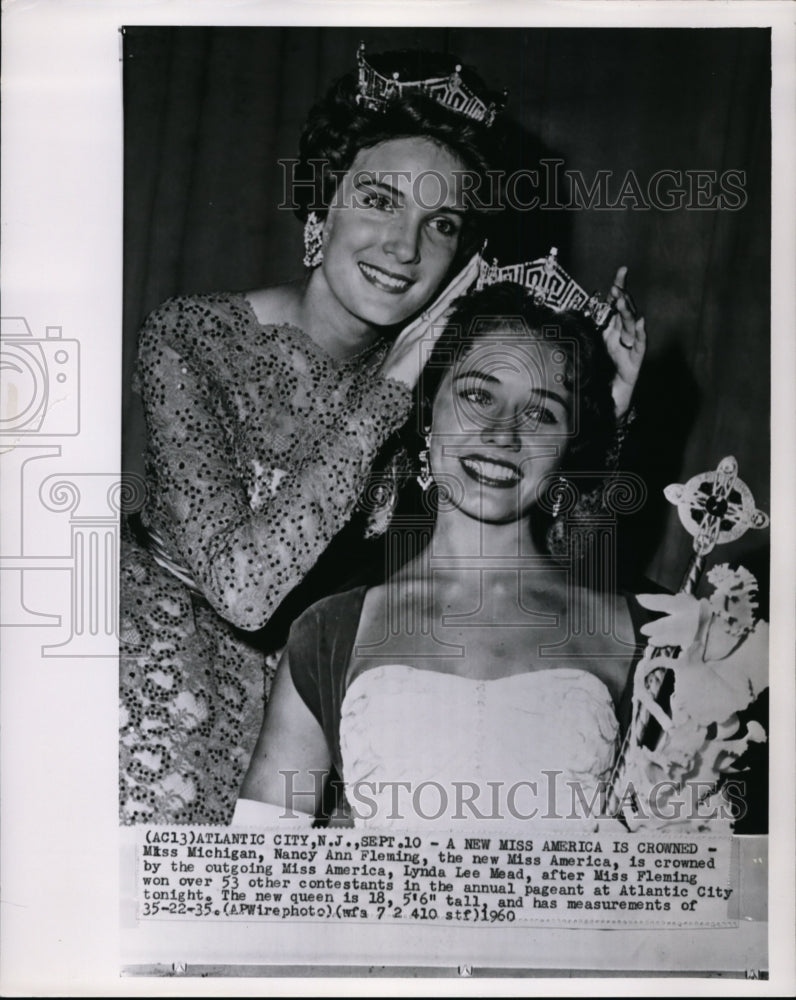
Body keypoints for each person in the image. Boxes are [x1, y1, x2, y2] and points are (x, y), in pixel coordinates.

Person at [119, 45, 645, 825]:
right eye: (378, 200)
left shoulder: (448, 398)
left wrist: (605, 417)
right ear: (319, 203)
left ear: (463, 261)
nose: (404, 248)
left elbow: (538, 568)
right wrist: (391, 386)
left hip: (329, 704)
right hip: (163, 689)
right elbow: (243, 591)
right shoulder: (191, 338)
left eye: (441, 224)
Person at [237, 282, 767, 830]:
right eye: (478, 395)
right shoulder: (328, 633)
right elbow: (258, 879)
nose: (502, 435)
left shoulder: (649, 636)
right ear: (428, 409)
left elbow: (695, 870)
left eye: (541, 415)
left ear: (569, 448)